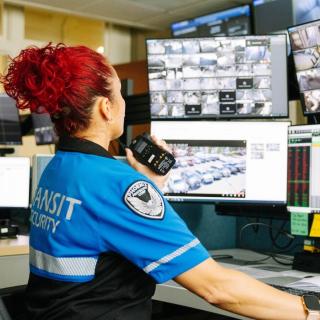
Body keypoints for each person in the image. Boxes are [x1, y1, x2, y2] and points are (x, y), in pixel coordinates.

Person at [1, 43, 317, 320]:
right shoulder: (117, 185)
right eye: (120, 94)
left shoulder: (58, 170)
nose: (123, 104)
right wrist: (308, 309)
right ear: (106, 106)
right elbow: (217, 289)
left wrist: (151, 185)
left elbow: (99, 230)